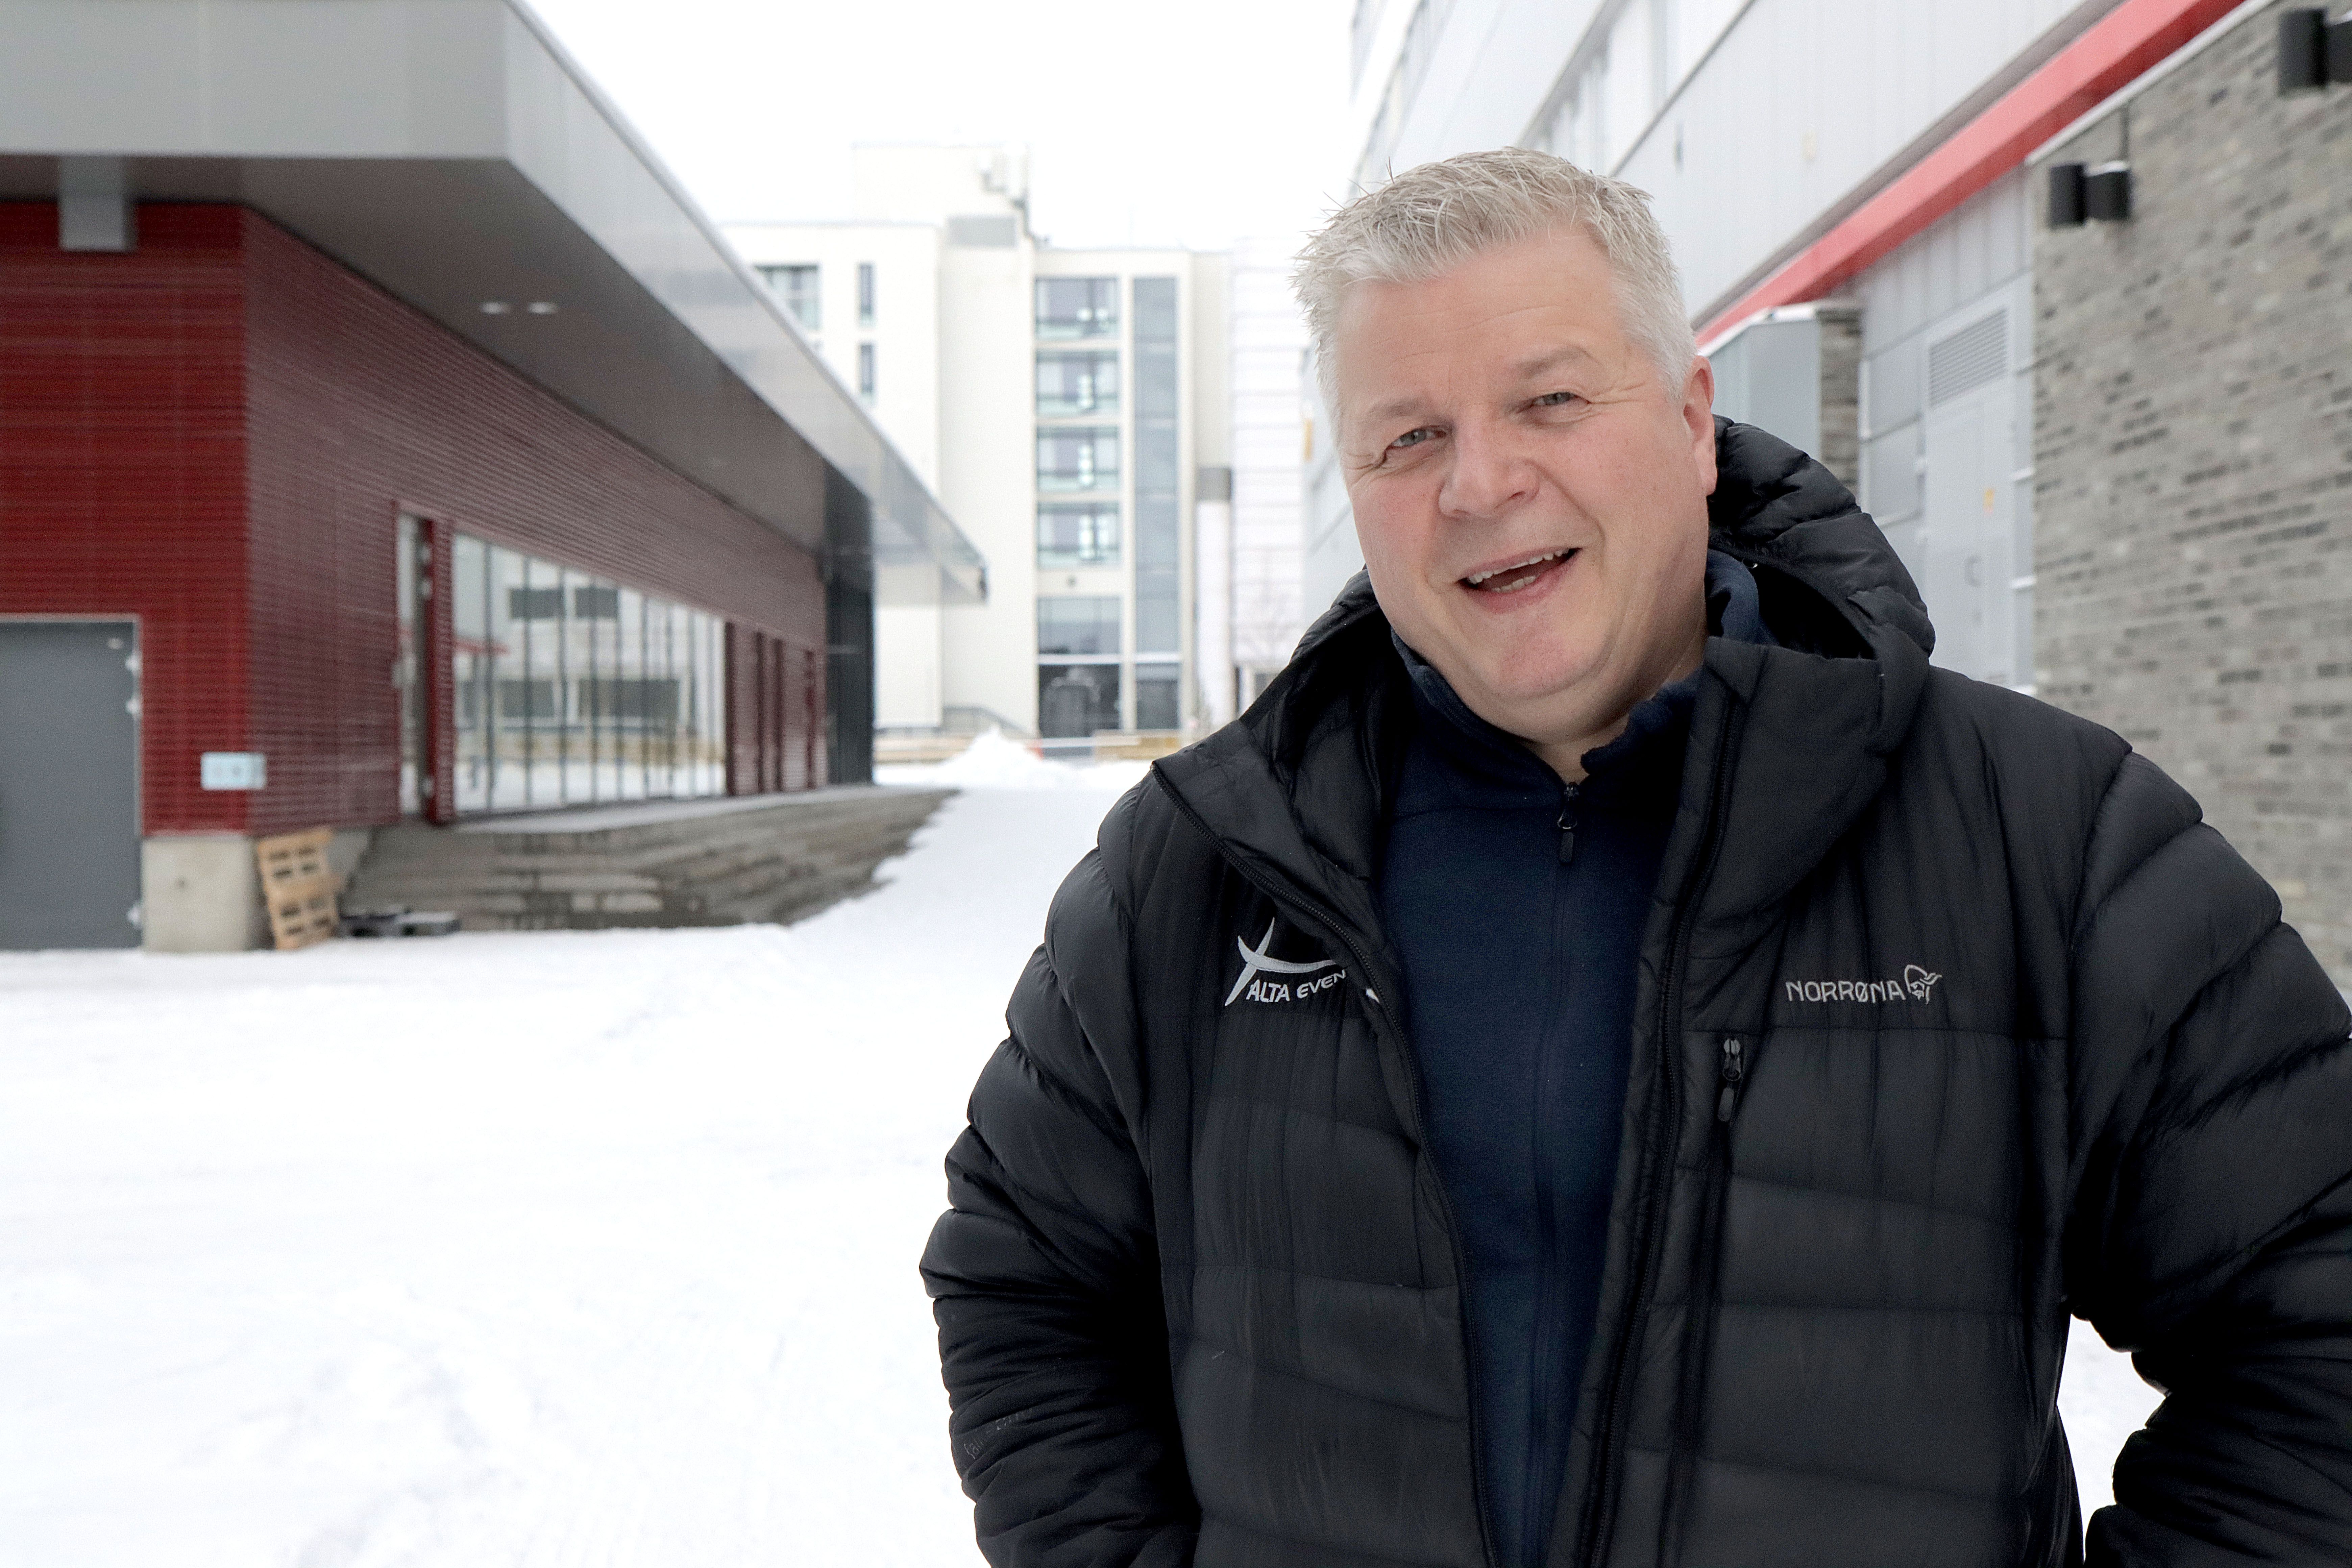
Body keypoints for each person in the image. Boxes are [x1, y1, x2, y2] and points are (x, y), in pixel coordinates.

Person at [920, 149, 2352, 1568]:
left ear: (1692, 421)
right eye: (1407, 438)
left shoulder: (2044, 835)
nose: (1481, 482)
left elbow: (2318, 1304)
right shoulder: (1205, 862)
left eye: (1550, 399)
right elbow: (1024, 1275)